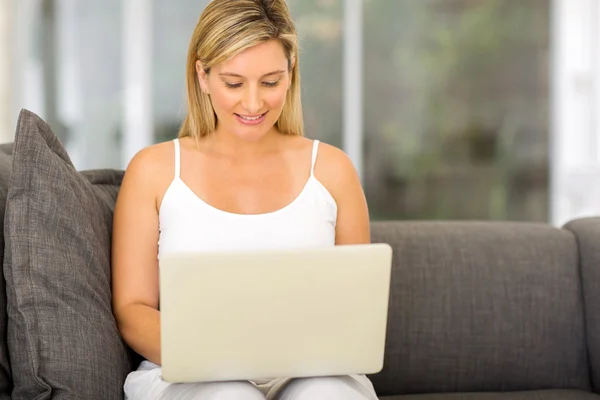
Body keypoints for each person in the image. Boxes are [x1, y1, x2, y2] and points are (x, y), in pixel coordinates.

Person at [111, 0, 378, 398]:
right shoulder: (154, 171)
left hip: (312, 374)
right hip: (194, 375)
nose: (253, 104)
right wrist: (214, 355)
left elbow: (357, 310)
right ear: (202, 75)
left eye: (270, 82)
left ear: (290, 74)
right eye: (234, 83)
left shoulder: (332, 170)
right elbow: (133, 309)